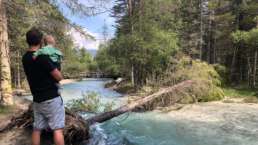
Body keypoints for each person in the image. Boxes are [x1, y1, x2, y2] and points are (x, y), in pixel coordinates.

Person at [22, 28, 65, 145]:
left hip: (37, 100)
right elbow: (59, 77)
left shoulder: (25, 57)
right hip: (51, 99)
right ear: (41, 41)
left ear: (27, 41)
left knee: (37, 128)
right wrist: (51, 47)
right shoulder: (43, 57)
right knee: (57, 129)